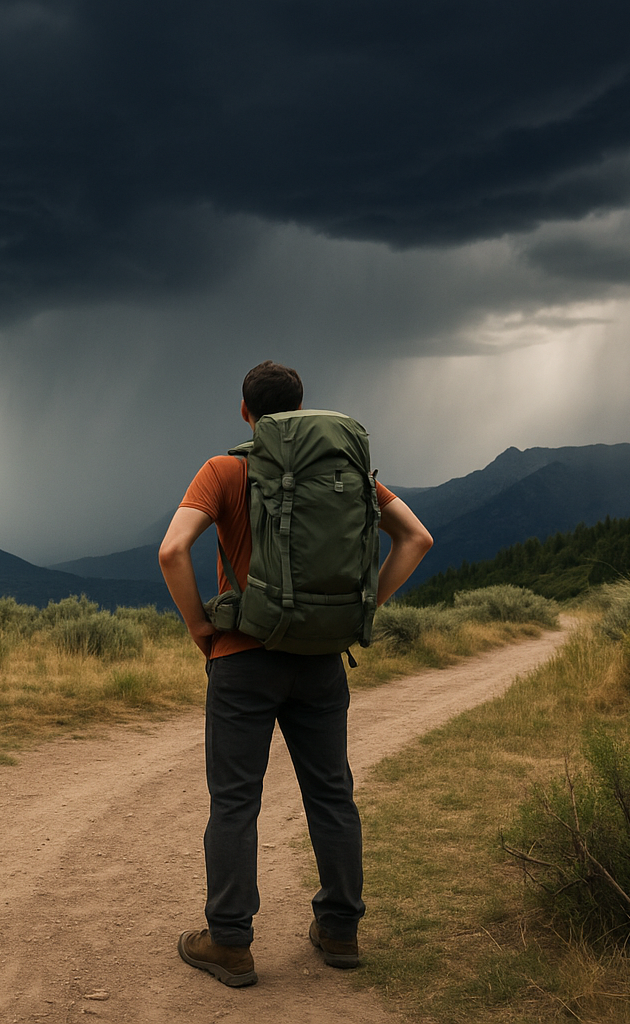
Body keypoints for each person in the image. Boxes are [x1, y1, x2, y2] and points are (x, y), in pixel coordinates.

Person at [158, 360, 433, 987]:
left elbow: (173, 550)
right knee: (332, 795)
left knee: (235, 802)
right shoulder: (348, 473)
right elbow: (417, 539)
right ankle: (339, 930)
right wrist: (359, 609)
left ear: (247, 413)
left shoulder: (226, 469)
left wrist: (201, 627)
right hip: (319, 662)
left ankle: (228, 942)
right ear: (302, 408)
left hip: (242, 659)